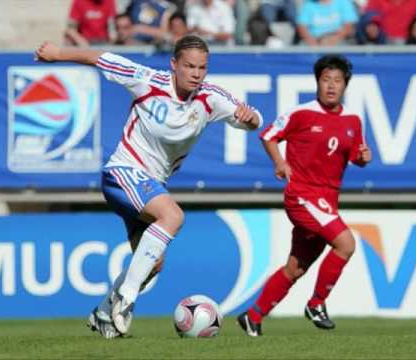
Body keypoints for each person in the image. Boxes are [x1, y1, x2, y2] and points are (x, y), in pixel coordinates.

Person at [34, 35, 262, 339]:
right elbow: (102, 57)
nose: (196, 73)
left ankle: (103, 313)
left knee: (153, 264)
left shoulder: (211, 98)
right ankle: (126, 299)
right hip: (122, 173)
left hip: (150, 186)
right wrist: (58, 52)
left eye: (202, 67)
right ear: (174, 65)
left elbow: (253, 119)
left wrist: (250, 119)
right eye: (189, 66)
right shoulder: (146, 80)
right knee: (173, 216)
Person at [237, 55, 372, 336]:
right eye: (326, 80)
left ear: (345, 85)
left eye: (337, 81)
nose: (331, 86)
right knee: (346, 244)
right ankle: (316, 303)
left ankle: (253, 315)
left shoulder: (353, 120)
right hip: (303, 195)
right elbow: (268, 135)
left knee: (296, 268)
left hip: (327, 199)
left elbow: (356, 154)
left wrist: (363, 157)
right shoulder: (301, 113)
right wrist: (279, 162)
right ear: (317, 83)